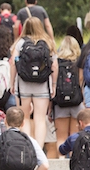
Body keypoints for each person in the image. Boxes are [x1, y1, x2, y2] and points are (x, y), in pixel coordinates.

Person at [9, 17, 57, 148]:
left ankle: (28, 147)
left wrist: (12, 83)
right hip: (42, 85)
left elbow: (13, 63)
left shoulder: (19, 43)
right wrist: (53, 85)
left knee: (24, 118)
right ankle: (39, 148)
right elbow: (55, 66)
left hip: (23, 85)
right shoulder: (48, 42)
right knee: (40, 118)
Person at [54, 36, 84, 146]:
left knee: (61, 138)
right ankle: (73, 161)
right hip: (77, 101)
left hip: (60, 103)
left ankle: (61, 161)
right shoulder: (80, 63)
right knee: (75, 138)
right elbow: (81, 81)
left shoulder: (56, 63)